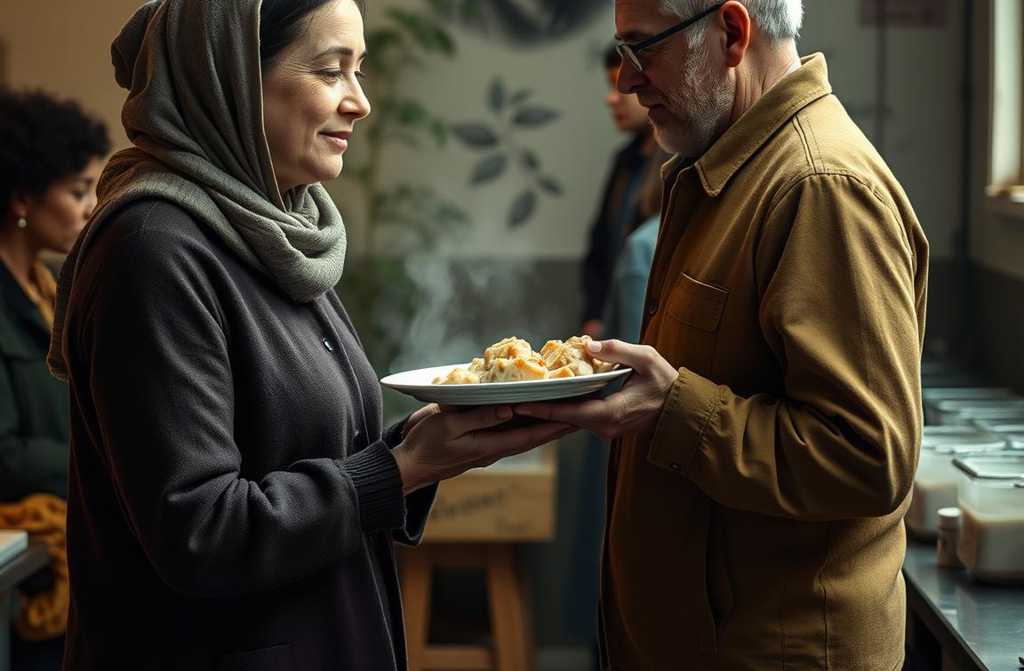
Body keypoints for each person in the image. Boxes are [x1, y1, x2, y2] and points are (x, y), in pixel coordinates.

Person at [47, 1, 571, 669]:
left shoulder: (277, 230)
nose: (361, 102)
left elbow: (308, 451)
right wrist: (401, 468)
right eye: (332, 71)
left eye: (360, 71)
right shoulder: (154, 249)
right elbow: (201, 530)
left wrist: (432, 443)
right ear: (231, 77)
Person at [517, 1, 929, 669]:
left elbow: (868, 455)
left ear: (733, 33)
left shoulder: (820, 186)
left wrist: (670, 405)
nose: (626, 81)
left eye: (642, 50)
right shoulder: (723, 171)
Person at [0, 86, 109, 671]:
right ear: (22, 195)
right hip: (26, 571)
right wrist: (104, 455)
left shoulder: (53, 293)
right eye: (76, 191)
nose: (93, 206)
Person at [579, 45, 662, 339]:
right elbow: (601, 243)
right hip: (613, 315)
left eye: (621, 88)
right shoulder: (625, 161)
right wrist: (593, 314)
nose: (612, 98)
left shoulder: (677, 162)